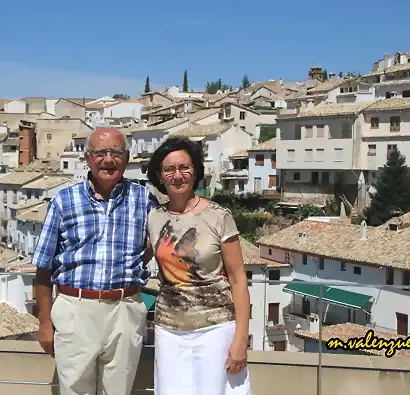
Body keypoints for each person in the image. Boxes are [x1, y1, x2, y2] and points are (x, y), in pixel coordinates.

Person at [32, 127, 159, 395]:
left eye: (115, 152)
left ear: (127, 158)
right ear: (88, 158)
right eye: (100, 153)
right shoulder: (64, 201)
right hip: (76, 309)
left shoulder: (143, 199)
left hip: (125, 310)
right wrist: (45, 323)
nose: (108, 159)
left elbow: (160, 244)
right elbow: (43, 269)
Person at [146, 135, 252, 395]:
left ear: (195, 172)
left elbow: (238, 279)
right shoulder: (154, 218)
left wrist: (240, 339)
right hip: (169, 329)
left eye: (185, 167)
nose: (178, 175)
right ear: (160, 176)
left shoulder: (218, 216)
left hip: (215, 327)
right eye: (169, 169)